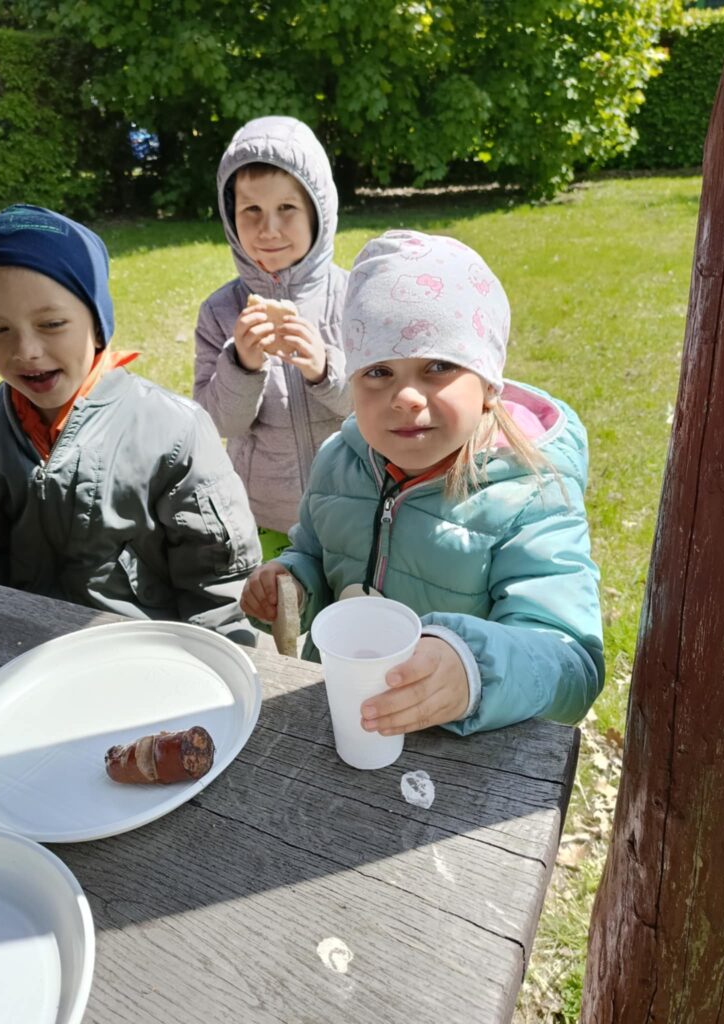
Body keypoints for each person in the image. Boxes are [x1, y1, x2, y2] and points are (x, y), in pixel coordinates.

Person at [240, 229, 604, 734]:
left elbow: (573, 667)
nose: (406, 396)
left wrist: (473, 669)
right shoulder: (337, 463)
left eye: (437, 366)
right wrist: (293, 584)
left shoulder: (529, 493)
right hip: (348, 721)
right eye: (379, 371)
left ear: (487, 383)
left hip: (464, 763)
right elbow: (318, 558)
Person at [0, 204, 261, 643]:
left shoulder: (174, 435)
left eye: (52, 324)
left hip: (147, 661)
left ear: (98, 325)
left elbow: (218, 588)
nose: (26, 350)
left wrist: (220, 675)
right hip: (24, 657)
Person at [193, 116, 351, 560]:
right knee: (275, 616)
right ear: (230, 217)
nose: (269, 230)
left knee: (351, 613)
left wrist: (325, 368)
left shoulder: (353, 297)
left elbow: (378, 403)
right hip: (265, 513)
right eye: (252, 211)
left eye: (287, 209)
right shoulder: (220, 313)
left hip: (354, 504)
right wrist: (241, 365)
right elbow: (217, 426)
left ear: (318, 211)